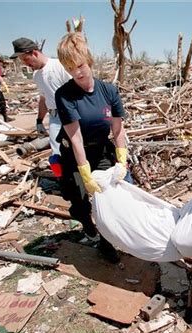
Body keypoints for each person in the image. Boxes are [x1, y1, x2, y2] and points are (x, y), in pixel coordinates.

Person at [55, 32, 131, 263]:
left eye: (79, 65)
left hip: (100, 149)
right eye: (70, 68)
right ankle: (87, 226)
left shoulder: (108, 91)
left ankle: (106, 243)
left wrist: (122, 158)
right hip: (74, 153)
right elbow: (76, 139)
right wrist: (85, 174)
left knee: (107, 198)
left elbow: (118, 129)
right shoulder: (65, 95)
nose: (77, 72)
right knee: (79, 201)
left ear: (88, 60)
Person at [10, 37, 71, 158]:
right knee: (57, 152)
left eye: (26, 59)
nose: (26, 64)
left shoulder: (59, 66)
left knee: (77, 148)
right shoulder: (37, 75)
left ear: (35, 53)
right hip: (55, 117)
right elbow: (43, 99)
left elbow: (79, 91)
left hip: (71, 114)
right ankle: (63, 176)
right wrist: (39, 121)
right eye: (23, 61)